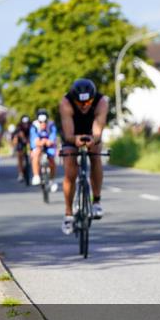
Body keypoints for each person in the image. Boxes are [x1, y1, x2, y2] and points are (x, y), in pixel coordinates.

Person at [59, 78, 109, 235]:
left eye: (88, 102)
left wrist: (93, 139)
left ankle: (96, 201)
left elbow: (97, 130)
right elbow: (68, 134)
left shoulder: (101, 102)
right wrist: (75, 140)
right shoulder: (66, 103)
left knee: (96, 157)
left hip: (91, 133)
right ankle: (68, 214)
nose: (84, 106)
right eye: (80, 103)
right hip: (71, 134)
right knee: (70, 171)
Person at [29, 108, 58, 187]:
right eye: (41, 122)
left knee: (52, 159)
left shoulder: (51, 125)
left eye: (45, 122)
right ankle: (36, 176)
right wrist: (41, 142)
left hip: (49, 144)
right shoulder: (34, 126)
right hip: (39, 144)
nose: (43, 124)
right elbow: (34, 139)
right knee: (36, 154)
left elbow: (53, 137)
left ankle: (52, 179)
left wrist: (49, 141)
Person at [13, 114, 32, 181]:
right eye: (24, 123)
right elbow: (15, 137)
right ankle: (20, 173)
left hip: (29, 141)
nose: (25, 125)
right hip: (20, 142)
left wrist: (29, 141)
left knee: (32, 154)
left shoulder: (31, 126)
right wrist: (16, 143)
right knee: (19, 156)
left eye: (27, 123)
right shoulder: (19, 127)